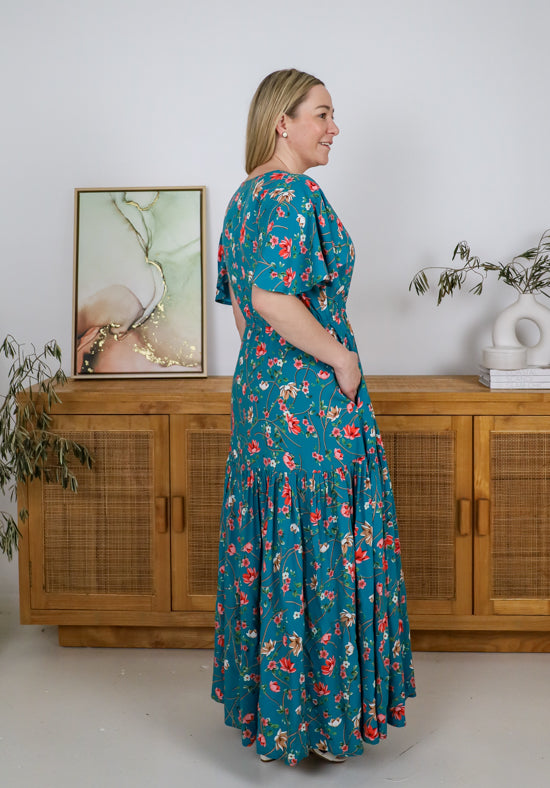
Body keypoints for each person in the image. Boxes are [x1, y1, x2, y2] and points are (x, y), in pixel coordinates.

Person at [212, 68, 415, 767]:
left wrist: (274, 374)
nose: (334, 128)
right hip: (315, 405)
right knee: (325, 543)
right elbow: (269, 295)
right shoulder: (296, 194)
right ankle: (324, 723)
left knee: (276, 544)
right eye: (322, 114)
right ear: (283, 123)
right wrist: (339, 359)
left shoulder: (244, 198)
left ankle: (277, 717)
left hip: (261, 398)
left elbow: (240, 309)